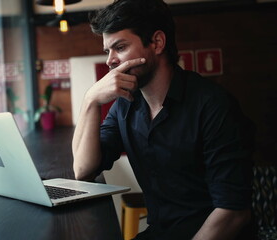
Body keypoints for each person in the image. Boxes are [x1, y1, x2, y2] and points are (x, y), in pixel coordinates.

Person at [72, 0, 255, 239]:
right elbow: (83, 170)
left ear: (157, 42)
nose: (111, 60)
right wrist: (90, 101)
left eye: (120, 47)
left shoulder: (214, 105)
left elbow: (233, 212)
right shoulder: (125, 105)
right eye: (108, 51)